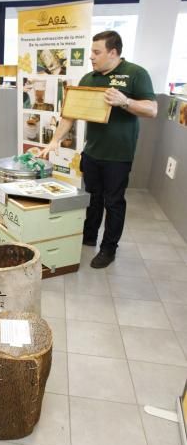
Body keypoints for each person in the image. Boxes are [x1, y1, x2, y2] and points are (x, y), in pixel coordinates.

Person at [41, 30, 157, 269]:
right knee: (92, 197)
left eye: (96, 52)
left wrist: (125, 101)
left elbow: (152, 109)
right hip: (92, 152)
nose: (91, 57)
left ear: (113, 52)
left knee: (113, 202)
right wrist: (54, 141)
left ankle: (108, 249)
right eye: (91, 52)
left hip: (118, 155)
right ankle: (90, 235)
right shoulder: (89, 79)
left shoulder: (136, 74)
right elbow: (70, 115)